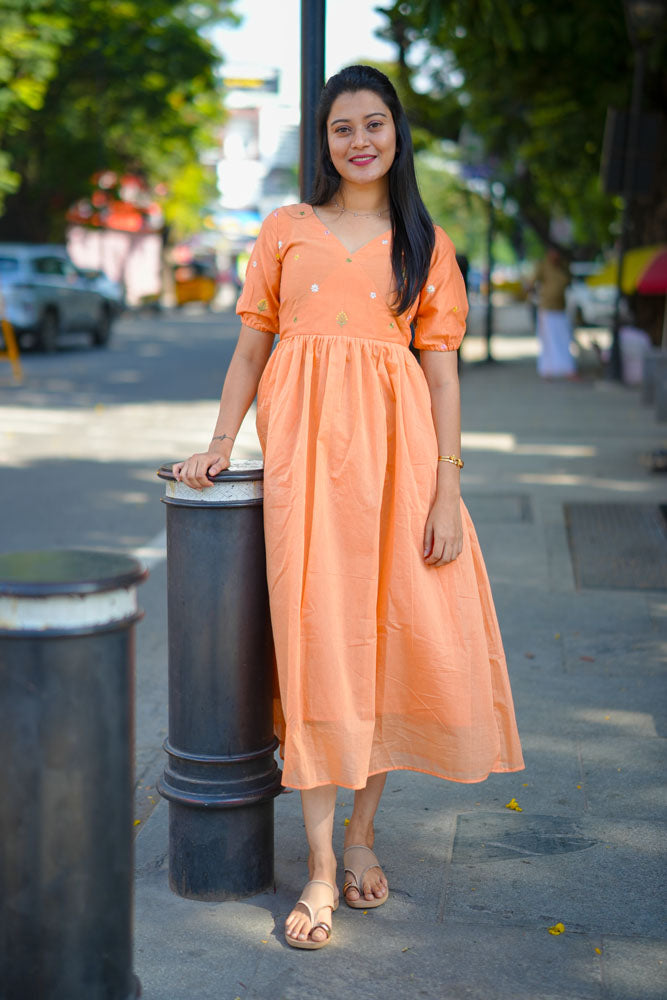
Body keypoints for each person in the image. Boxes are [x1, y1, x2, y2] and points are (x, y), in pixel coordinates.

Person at [173, 65, 524, 951]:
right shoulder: (286, 229)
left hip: (400, 468)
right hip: (305, 474)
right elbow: (252, 347)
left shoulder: (423, 239)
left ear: (396, 135)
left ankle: (359, 837)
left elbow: (439, 371)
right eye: (341, 128)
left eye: (374, 124)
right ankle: (322, 867)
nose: (359, 140)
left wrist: (447, 486)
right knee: (318, 645)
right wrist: (221, 442)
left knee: (387, 641)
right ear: (321, 141)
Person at [532, 247, 576, 378]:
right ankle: (548, 370)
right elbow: (532, 282)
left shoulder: (563, 267)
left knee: (564, 338)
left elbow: (568, 282)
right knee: (548, 341)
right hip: (547, 308)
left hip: (560, 308)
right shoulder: (543, 266)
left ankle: (566, 369)